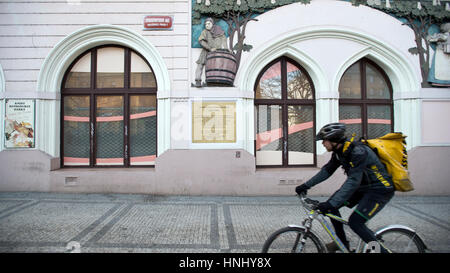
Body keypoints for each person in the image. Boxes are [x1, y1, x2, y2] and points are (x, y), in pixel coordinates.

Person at [295, 123, 395, 252]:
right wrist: (305, 185)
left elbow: (353, 181)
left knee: (356, 222)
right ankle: (342, 244)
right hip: (363, 188)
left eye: (324, 141)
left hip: (379, 190)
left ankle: (382, 251)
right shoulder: (340, 152)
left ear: (334, 140)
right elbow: (327, 171)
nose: (322, 144)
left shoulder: (358, 152)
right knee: (331, 209)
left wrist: (332, 203)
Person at [194, 17, 229, 87]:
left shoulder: (219, 30)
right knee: (200, 64)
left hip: (217, 52)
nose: (207, 25)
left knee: (216, 65)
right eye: (206, 24)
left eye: (208, 24)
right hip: (206, 51)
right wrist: (209, 48)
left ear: (212, 24)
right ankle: (198, 80)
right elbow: (201, 41)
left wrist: (226, 49)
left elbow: (224, 40)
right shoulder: (205, 32)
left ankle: (217, 80)